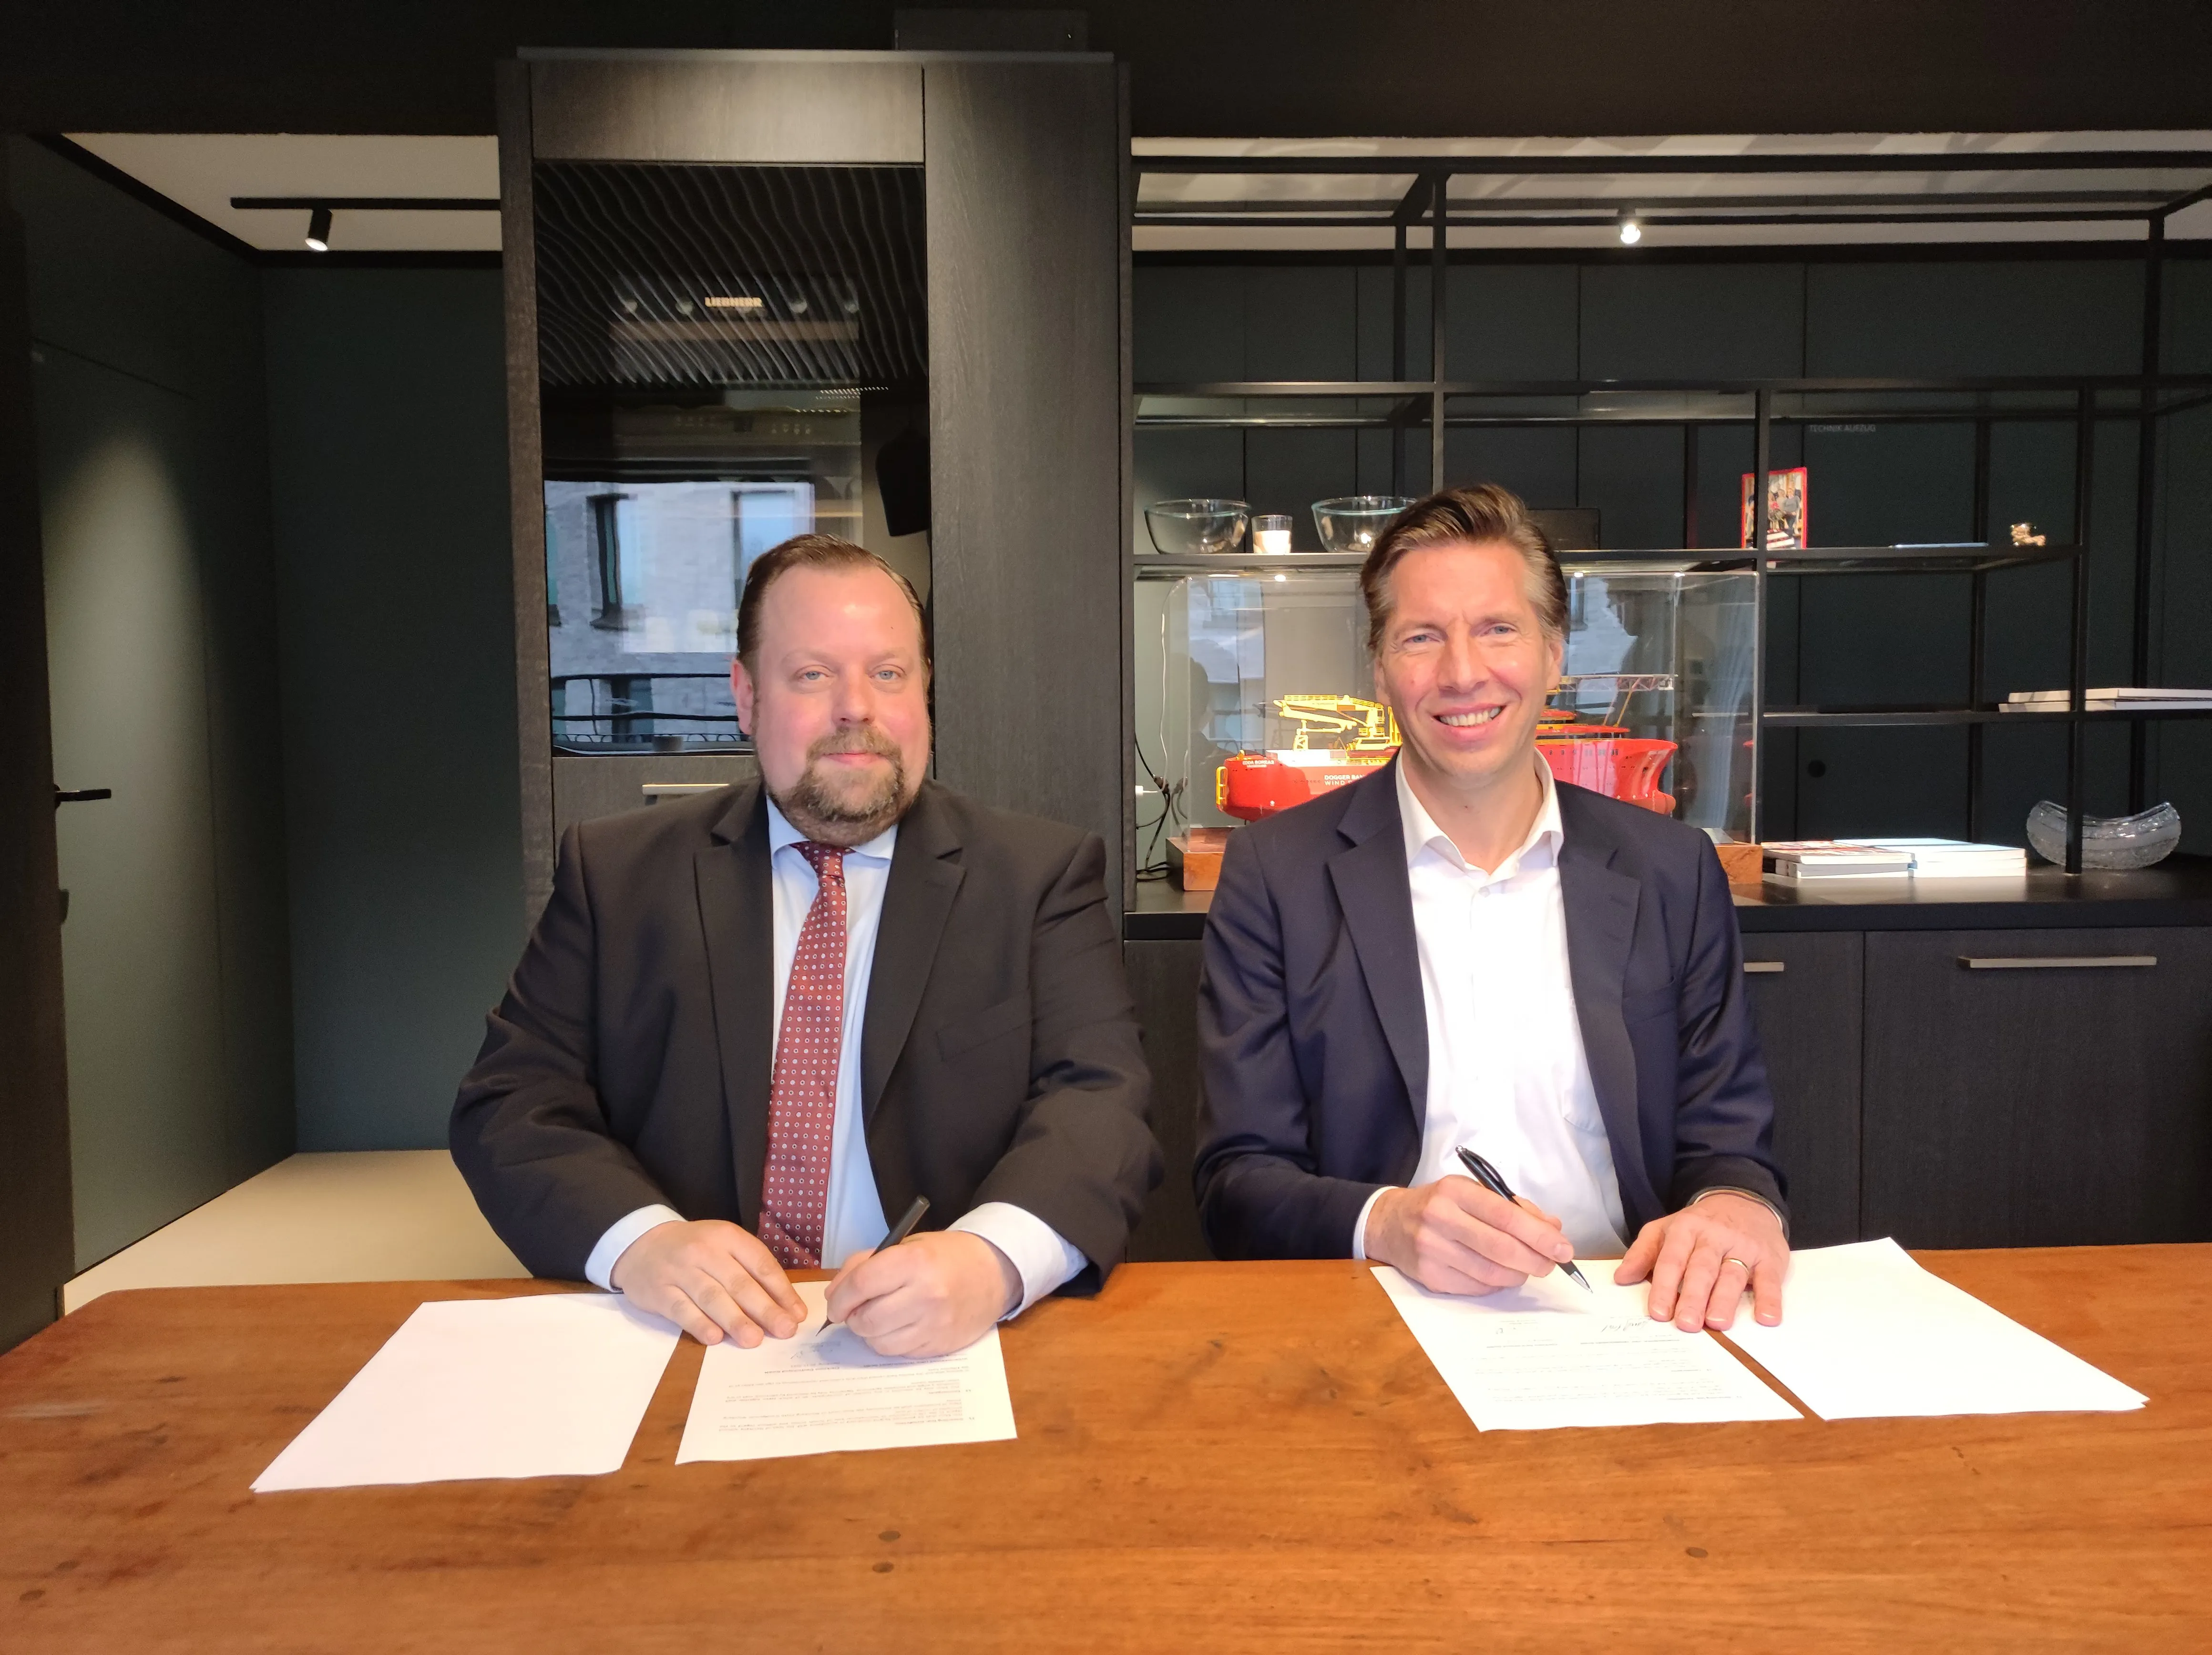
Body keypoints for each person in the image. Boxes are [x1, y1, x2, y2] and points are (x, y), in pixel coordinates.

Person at [454, 534, 1159, 1358]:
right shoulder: (614, 875)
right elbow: (511, 1103)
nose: (855, 706)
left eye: (888, 673)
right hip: (688, 1337)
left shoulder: (1039, 875)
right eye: (813, 674)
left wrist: (992, 1260)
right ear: (747, 697)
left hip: (948, 1343)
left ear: (924, 690)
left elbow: (1101, 1100)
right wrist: (641, 1244)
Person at [1193, 485, 1789, 1333]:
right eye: (1422, 637)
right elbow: (1234, 1185)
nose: (1463, 672)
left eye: (1498, 629)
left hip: (1630, 1316)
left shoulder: (1672, 870)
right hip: (1380, 1318)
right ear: (1380, 669)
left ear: (1554, 654)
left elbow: (1730, 1140)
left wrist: (1736, 1205)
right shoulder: (1277, 876)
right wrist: (1386, 1224)